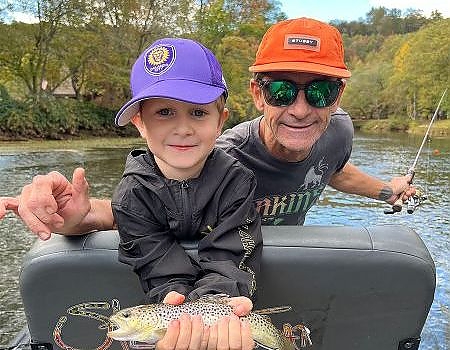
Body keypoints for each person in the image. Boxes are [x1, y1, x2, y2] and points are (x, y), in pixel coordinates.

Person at [1, 17, 415, 349]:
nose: (302, 109)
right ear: (257, 95)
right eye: (282, 90)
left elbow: (336, 170)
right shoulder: (228, 157)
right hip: (224, 292)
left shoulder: (339, 133)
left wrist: (388, 189)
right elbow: (150, 213)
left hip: (245, 276)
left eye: (322, 91)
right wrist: (79, 217)